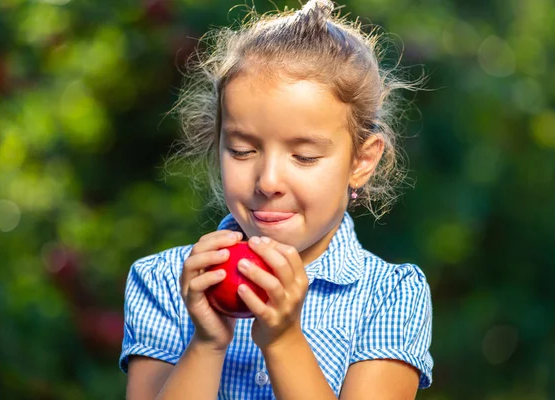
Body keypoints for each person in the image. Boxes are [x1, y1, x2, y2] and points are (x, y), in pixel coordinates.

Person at [120, 0, 433, 398]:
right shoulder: (162, 282)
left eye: (304, 156)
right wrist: (207, 343)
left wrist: (284, 340)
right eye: (242, 151)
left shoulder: (390, 296)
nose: (268, 182)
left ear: (361, 160)